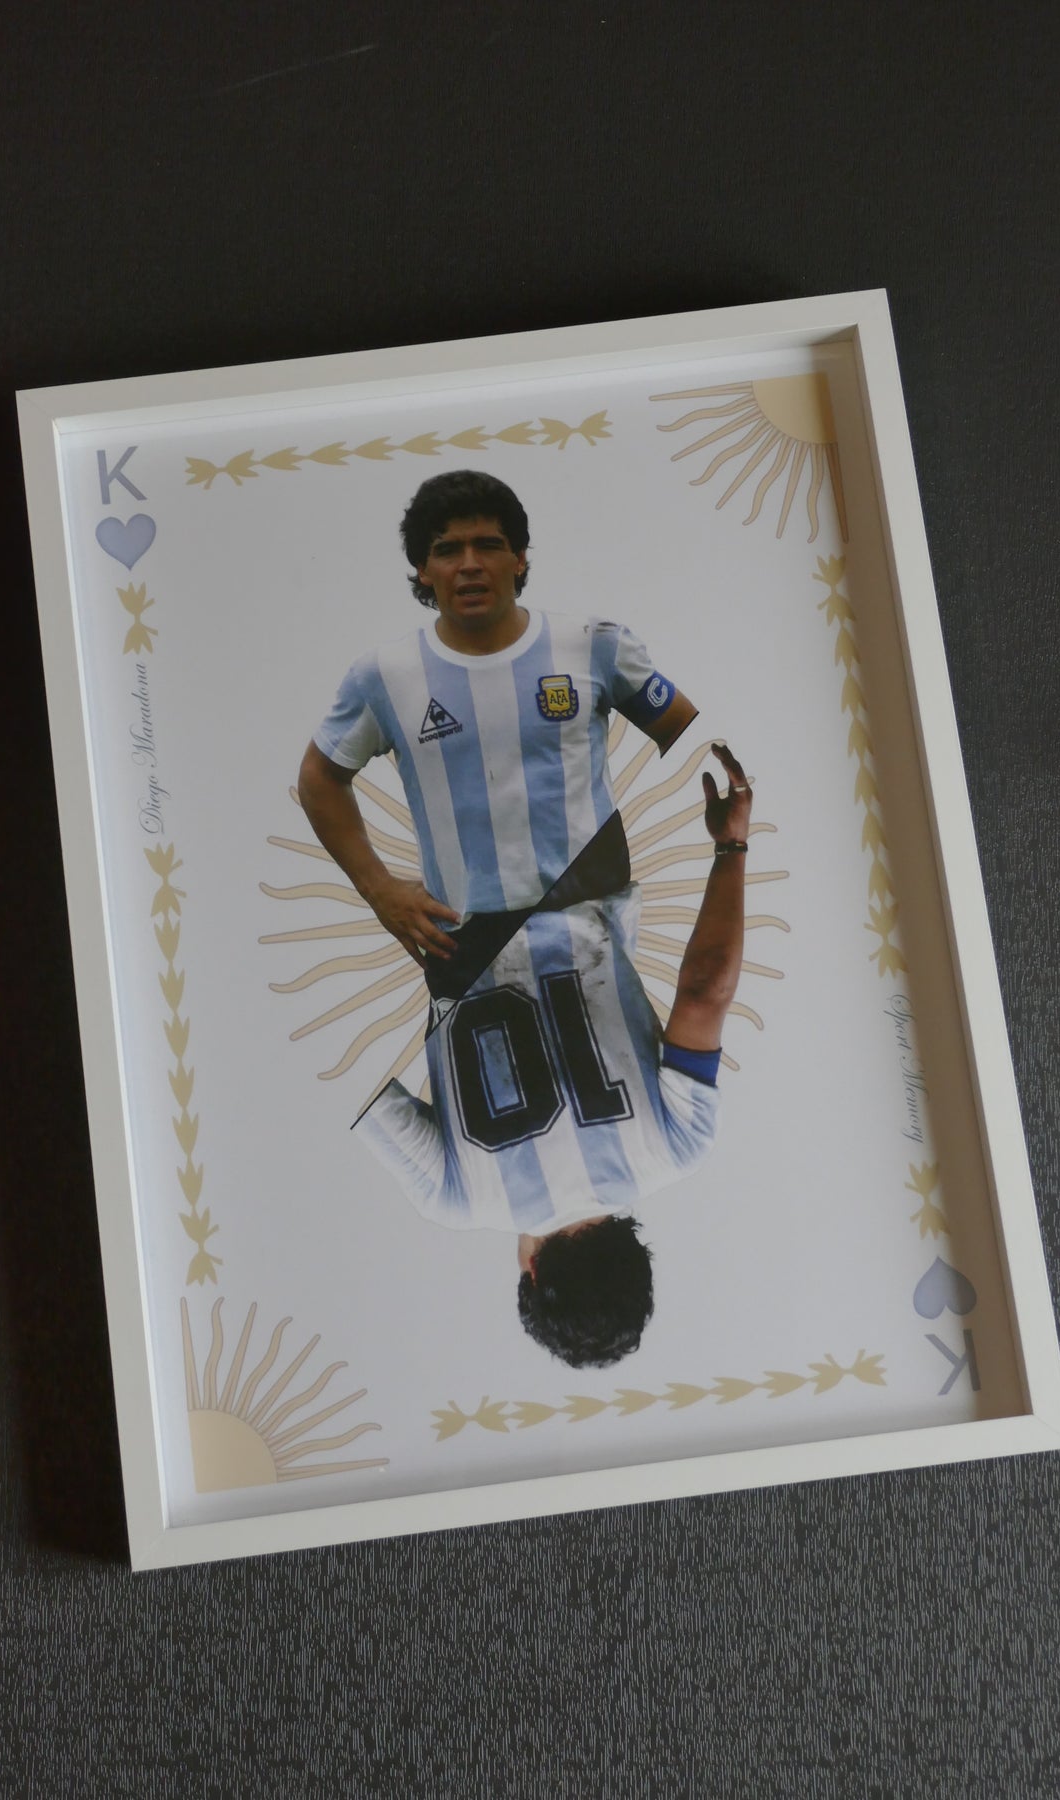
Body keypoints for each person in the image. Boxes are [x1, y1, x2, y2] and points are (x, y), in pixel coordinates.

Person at [354, 743, 754, 1369]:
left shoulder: (680, 1146)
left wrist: (731, 848)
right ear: (535, 1272)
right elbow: (362, 1090)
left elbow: (703, 993)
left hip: (581, 867)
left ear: (632, 1257)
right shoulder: (455, 1197)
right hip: (461, 898)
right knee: (439, 728)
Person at [297, 471, 698, 984]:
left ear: (520, 558)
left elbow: (697, 740)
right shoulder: (384, 676)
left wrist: (724, 852)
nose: (470, 565)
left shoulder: (592, 644)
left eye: (488, 545)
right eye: (447, 550)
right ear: (423, 569)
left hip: (593, 936)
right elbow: (320, 778)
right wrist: (380, 891)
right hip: (469, 954)